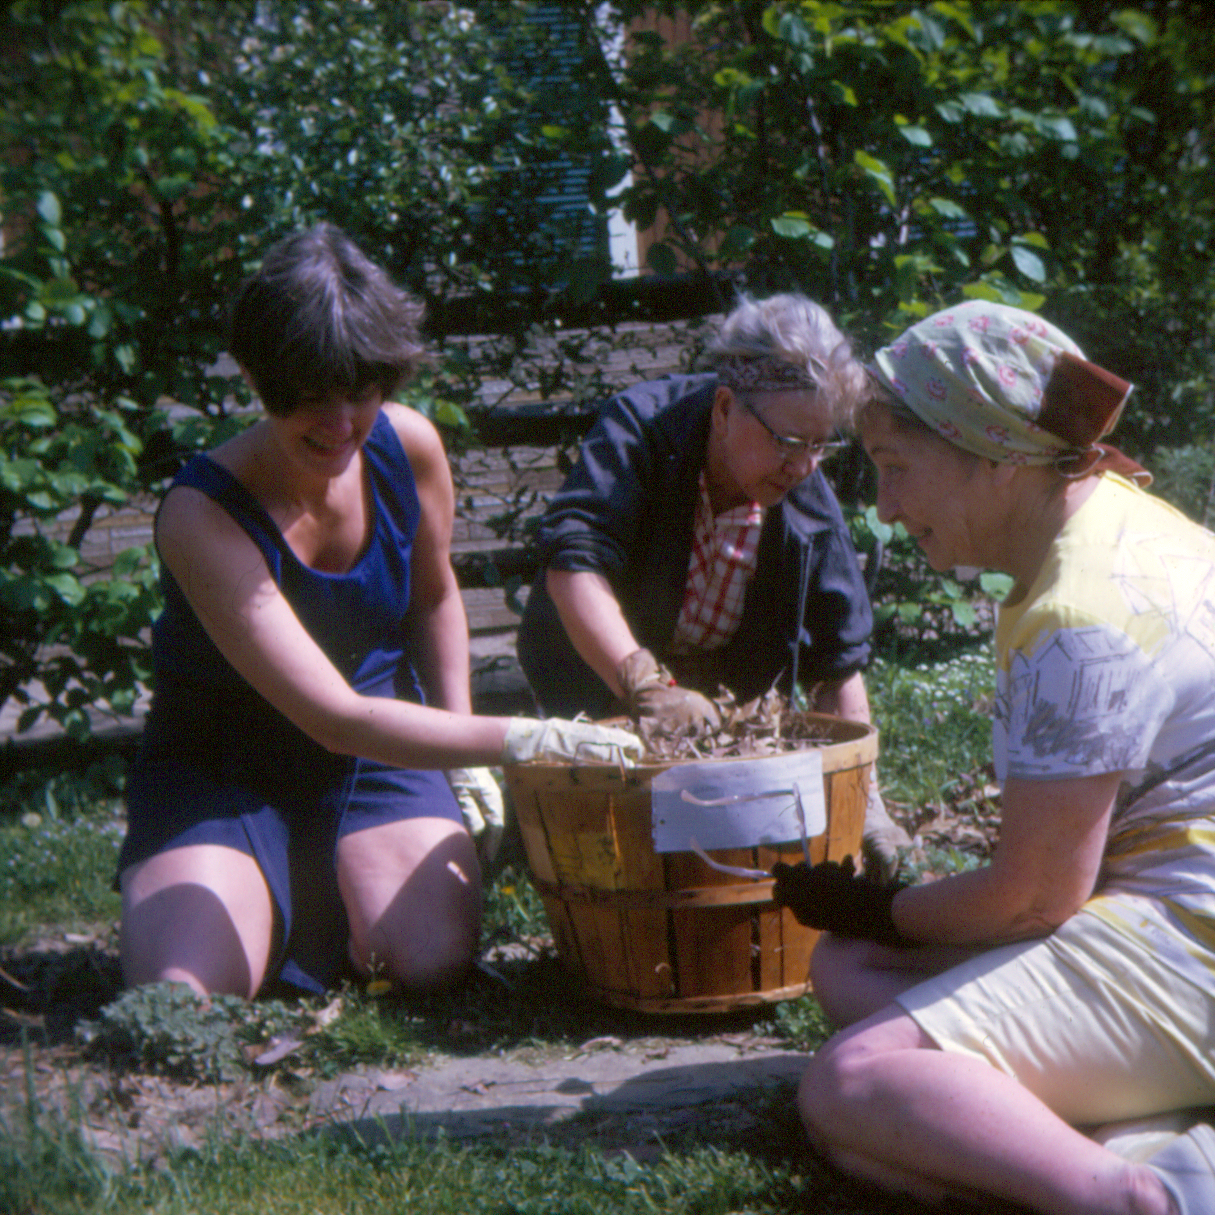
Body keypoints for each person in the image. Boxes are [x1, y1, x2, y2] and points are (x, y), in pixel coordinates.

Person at [117, 225, 639, 1002]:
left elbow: (432, 596)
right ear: (262, 379)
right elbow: (332, 716)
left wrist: (456, 747)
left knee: (426, 957)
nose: (339, 423)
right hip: (223, 758)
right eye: (309, 397)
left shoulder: (412, 447)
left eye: (360, 392)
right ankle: (236, 878)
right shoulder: (200, 511)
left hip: (378, 747)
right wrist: (528, 740)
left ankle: (309, 895)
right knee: (188, 988)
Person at [781, 300, 1215, 1214]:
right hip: (1176, 922)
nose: (886, 509)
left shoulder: (1075, 616)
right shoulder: (1132, 522)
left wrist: (883, 905)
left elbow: (1035, 896)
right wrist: (875, 923)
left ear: (994, 457)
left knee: (849, 1085)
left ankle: (1149, 1189)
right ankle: (1138, 1112)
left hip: (1193, 948)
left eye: (897, 469)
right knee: (843, 968)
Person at [516, 293, 909, 875]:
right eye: (788, 443)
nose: (803, 467)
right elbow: (573, 566)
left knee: (719, 862)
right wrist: (646, 685)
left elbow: (838, 655)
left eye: (821, 446)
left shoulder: (803, 493)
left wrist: (865, 801)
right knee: (620, 860)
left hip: (724, 709)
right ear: (725, 408)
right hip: (601, 677)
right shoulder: (642, 431)